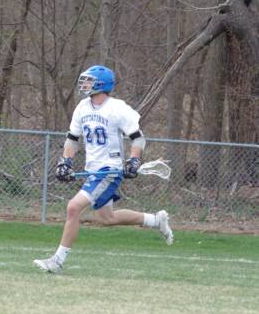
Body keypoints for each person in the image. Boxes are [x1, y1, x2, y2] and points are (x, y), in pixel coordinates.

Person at [34, 65, 173, 274]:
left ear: (101, 84)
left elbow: (138, 138)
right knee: (107, 218)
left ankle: (57, 261)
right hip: (93, 170)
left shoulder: (116, 107)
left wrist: (134, 161)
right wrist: (65, 162)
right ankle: (155, 220)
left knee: (73, 208)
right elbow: (72, 139)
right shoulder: (82, 107)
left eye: (89, 81)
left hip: (109, 170)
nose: (85, 84)